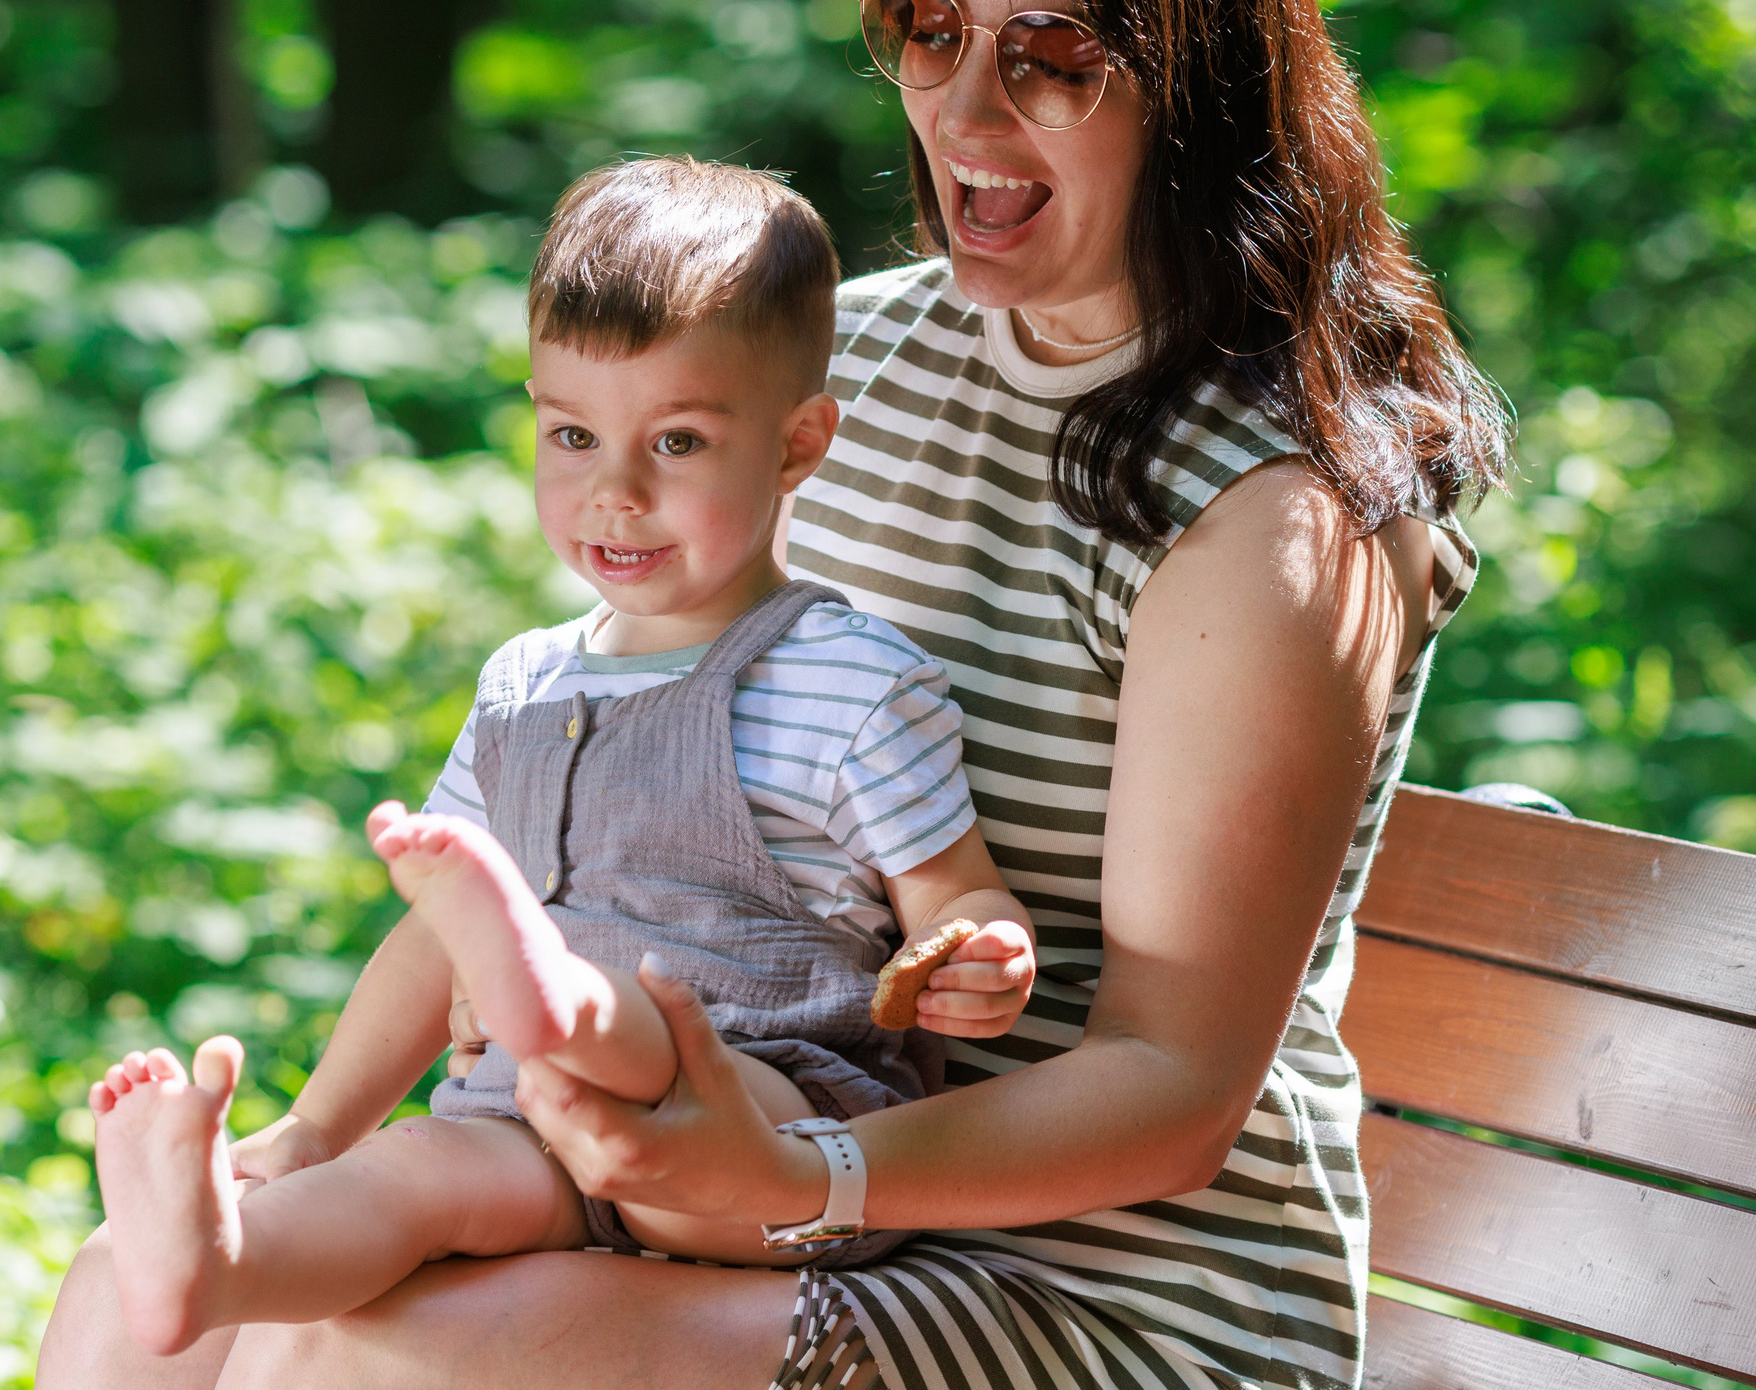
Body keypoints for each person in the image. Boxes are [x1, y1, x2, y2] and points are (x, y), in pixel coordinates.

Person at [38, 0, 1511, 1390]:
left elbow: (1170, 1091)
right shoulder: (840, 364)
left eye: (1051, 59)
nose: (964, 111)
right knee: (148, 1301)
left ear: (1202, 89)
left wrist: (795, 1172)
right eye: (929, 27)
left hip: (1108, 1289)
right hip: (748, 1169)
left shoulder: (1278, 512)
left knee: (394, 1361)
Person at [74, 156, 1037, 1357]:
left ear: (796, 445)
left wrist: (983, 952)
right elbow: (430, 945)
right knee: (410, 1175)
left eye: (676, 441)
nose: (613, 491)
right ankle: (212, 1264)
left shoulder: (846, 679)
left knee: (628, 1041)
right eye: (573, 434)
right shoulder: (524, 685)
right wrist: (313, 1131)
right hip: (531, 1126)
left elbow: (959, 896)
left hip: (764, 1132)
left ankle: (558, 999)